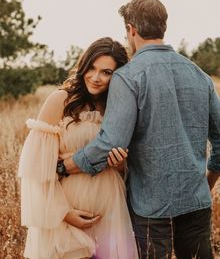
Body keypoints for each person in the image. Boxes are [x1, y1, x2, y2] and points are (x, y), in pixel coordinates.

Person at [62, 0, 220, 259]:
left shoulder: (129, 76)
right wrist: (207, 182)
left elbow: (109, 144)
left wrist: (63, 166)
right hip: (196, 202)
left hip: (149, 209)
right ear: (163, 27)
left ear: (131, 29)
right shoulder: (199, 75)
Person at [18, 37, 139, 259]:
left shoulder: (118, 107)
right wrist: (63, 213)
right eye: (91, 68)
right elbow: (37, 169)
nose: (96, 77)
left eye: (106, 72)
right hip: (67, 210)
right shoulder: (61, 100)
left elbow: (131, 167)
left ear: (118, 76)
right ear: (83, 66)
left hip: (111, 208)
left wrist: (121, 165)